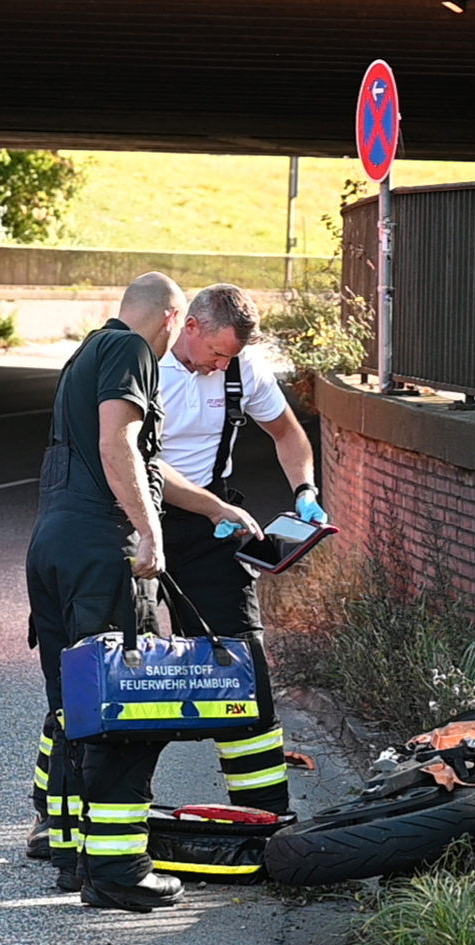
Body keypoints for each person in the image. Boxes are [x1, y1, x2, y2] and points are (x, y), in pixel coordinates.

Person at [24, 271, 190, 912]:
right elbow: (117, 439)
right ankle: (119, 870)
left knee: (74, 704)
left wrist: (210, 508)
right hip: (101, 551)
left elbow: (116, 456)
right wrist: (150, 534)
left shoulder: (85, 351)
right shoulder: (132, 351)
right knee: (127, 709)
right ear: (172, 318)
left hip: (53, 546)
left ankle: (70, 850)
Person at [152, 284, 327, 815]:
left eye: (232, 357)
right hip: (136, 519)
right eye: (217, 353)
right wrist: (213, 508)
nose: (221, 365)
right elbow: (137, 459)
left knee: (241, 664)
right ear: (191, 326)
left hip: (211, 531)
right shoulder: (144, 367)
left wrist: (305, 492)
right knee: (109, 665)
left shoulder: (241, 367)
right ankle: (63, 813)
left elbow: (287, 433)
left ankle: (265, 814)